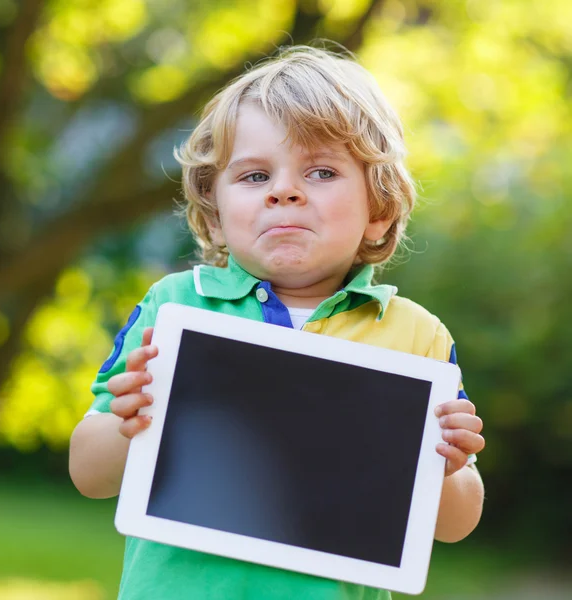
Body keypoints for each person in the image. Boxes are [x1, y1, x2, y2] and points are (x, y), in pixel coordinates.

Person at [69, 45, 485, 600]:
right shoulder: (177, 307)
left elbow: (455, 524)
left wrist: (450, 466)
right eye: (255, 175)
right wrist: (130, 421)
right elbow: (89, 475)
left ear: (378, 209)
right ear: (215, 216)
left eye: (321, 171)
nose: (284, 191)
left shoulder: (416, 335)